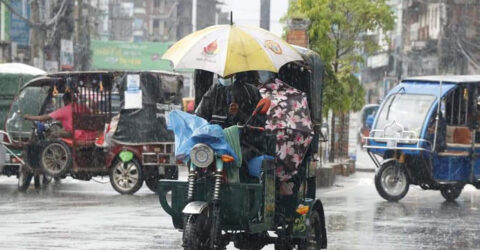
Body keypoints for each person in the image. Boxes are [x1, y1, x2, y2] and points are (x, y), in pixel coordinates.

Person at [195, 72, 262, 128]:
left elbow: (259, 122)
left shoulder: (250, 92)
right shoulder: (214, 91)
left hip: (244, 141)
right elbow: (199, 118)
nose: (224, 75)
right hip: (216, 140)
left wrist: (239, 114)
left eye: (228, 72)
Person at [24, 91, 97, 141]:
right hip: (91, 135)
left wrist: (29, 117)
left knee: (52, 135)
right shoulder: (83, 107)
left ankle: (49, 153)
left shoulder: (65, 110)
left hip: (77, 135)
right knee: (63, 131)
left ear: (65, 101)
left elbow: (45, 117)